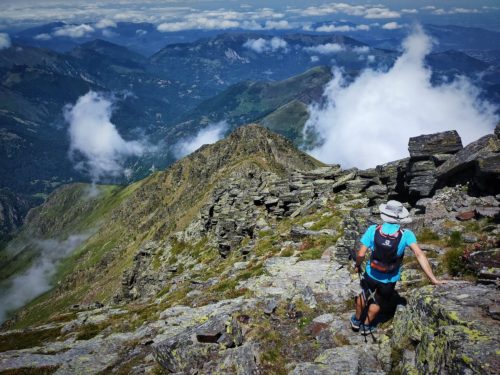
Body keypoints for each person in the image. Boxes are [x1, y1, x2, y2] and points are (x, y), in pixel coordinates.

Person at [350, 200, 446, 334]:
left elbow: (361, 253)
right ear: (400, 217)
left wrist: (357, 265)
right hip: (390, 278)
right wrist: (433, 279)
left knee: (363, 295)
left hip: (371, 273)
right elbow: (419, 254)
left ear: (384, 214)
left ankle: (356, 321)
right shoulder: (406, 234)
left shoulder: (373, 230)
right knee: (378, 301)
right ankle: (366, 326)